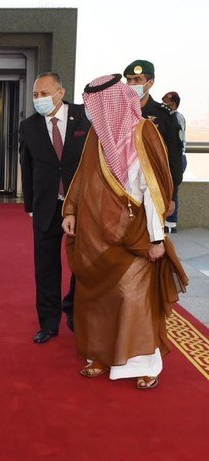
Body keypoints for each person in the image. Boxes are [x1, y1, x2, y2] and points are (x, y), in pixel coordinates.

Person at [62, 74, 189, 389]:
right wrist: (72, 210)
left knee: (133, 297)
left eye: (94, 104)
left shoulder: (143, 132)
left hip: (136, 232)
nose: (90, 111)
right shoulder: (97, 137)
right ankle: (101, 356)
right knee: (98, 298)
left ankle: (146, 363)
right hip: (96, 235)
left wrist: (157, 238)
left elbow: (154, 191)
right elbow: (82, 178)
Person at [19, 72, 91, 344]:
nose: (39, 100)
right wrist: (30, 206)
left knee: (81, 263)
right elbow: (26, 166)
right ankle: (48, 323)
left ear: (60, 92)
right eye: (35, 95)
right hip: (46, 206)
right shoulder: (29, 126)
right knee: (46, 266)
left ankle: (73, 308)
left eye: (44, 94)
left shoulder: (85, 117)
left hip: (82, 204)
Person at [123, 60, 183, 212]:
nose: (131, 84)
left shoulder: (164, 115)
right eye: (128, 80)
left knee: (153, 232)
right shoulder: (119, 112)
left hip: (154, 186)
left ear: (150, 83)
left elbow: (174, 156)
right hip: (123, 187)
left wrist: (171, 195)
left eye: (137, 80)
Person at [162, 91, 187, 233]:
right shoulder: (171, 117)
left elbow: (177, 141)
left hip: (177, 158)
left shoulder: (176, 118)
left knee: (173, 190)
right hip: (171, 158)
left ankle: (171, 223)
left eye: (168, 103)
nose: (165, 105)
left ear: (174, 104)